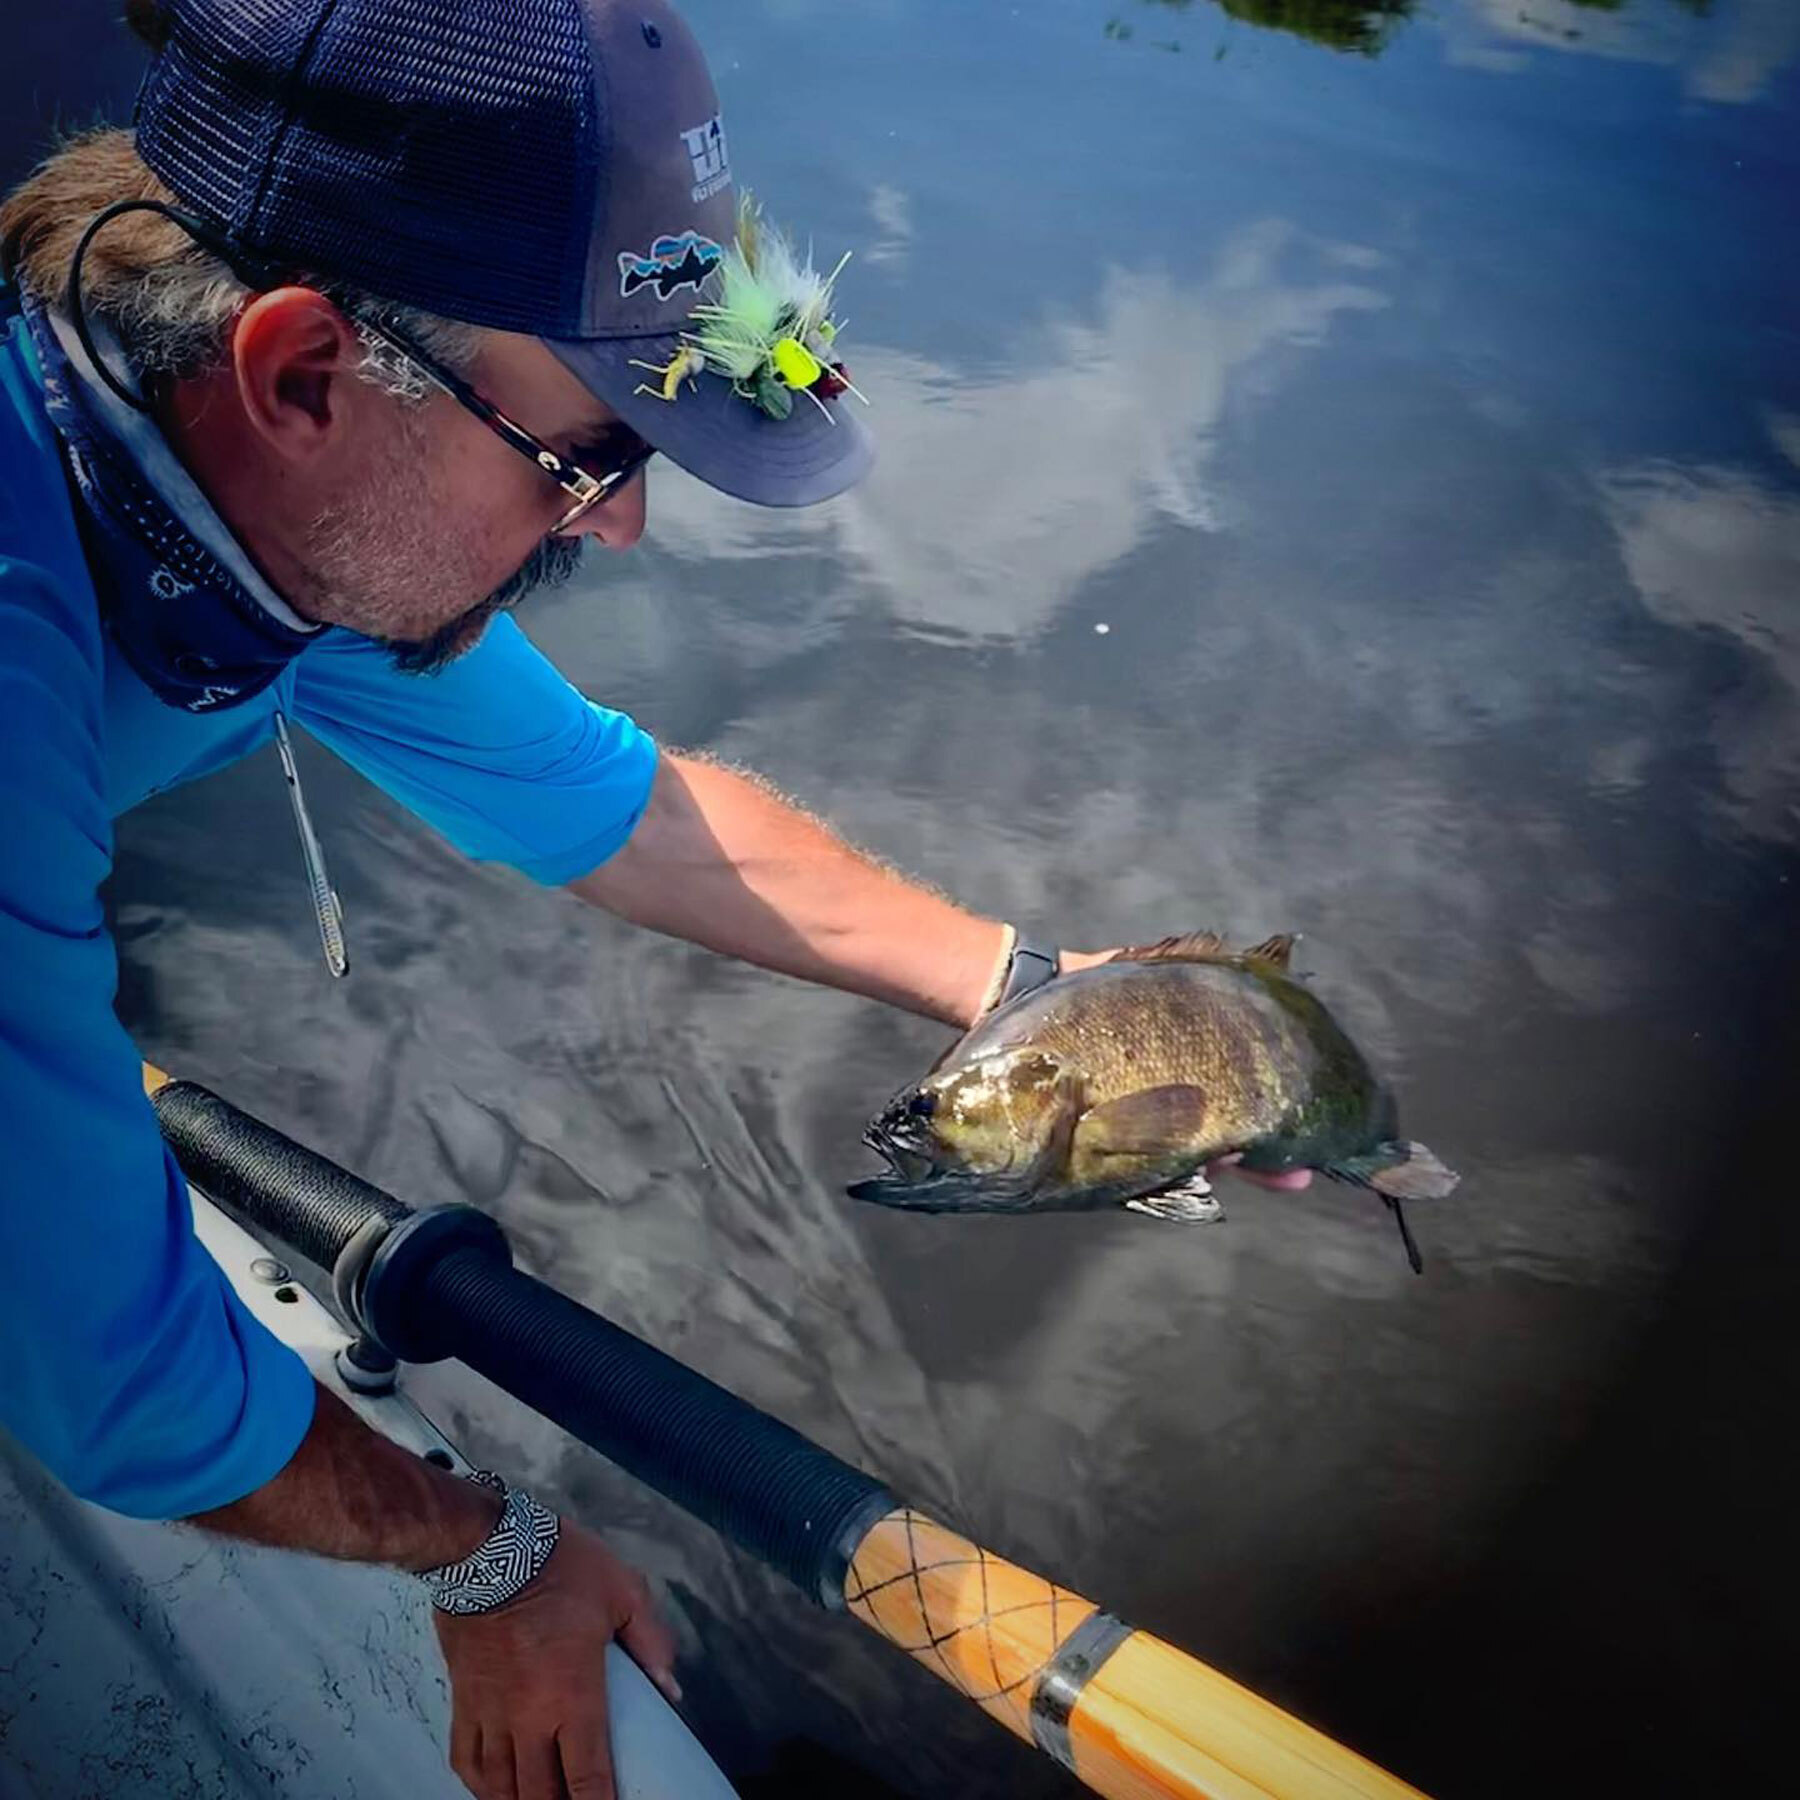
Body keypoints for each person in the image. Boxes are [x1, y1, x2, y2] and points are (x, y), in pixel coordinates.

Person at [0, 4, 1307, 1797]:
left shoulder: (244, 513)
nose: (619, 531)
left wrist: (1029, 984)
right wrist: (488, 1552)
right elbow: (115, 1384)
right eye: (591, 455)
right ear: (302, 376)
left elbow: (617, 807)